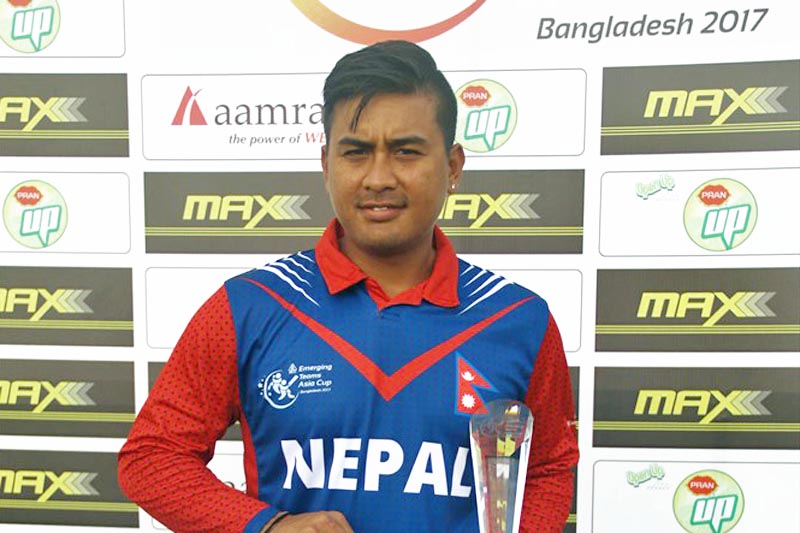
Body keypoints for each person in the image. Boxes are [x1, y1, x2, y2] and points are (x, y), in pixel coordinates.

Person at [118, 40, 578, 533]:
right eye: (356, 153)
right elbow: (151, 456)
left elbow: (550, 467)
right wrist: (266, 526)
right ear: (326, 164)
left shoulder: (517, 319)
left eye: (406, 151)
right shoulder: (251, 306)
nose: (378, 177)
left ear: (453, 168)